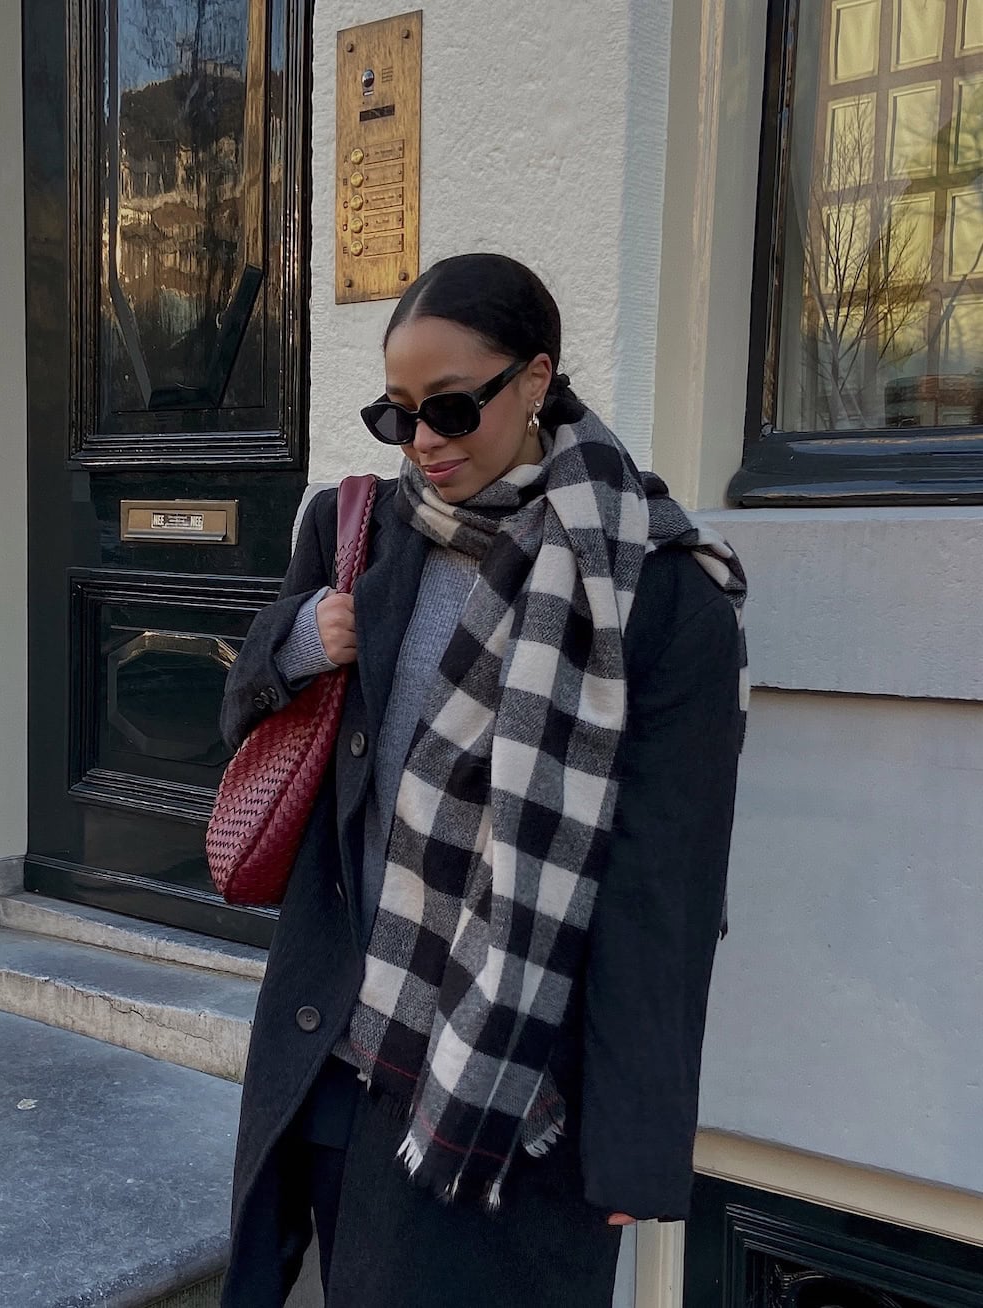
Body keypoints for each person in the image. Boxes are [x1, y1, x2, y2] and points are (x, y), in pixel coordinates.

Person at [218, 252, 747, 1308]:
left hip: (511, 1085)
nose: (422, 442)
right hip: (336, 1041)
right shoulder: (354, 532)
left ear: (535, 380)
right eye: (396, 412)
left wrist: (629, 1143)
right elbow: (245, 706)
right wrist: (298, 646)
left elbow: (666, 893)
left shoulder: (657, 596)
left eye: (453, 407)